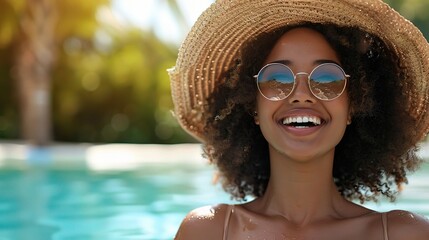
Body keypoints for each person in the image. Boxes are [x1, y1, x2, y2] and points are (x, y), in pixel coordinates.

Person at [168, 0, 429, 239]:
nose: (301, 95)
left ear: (354, 104)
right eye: (278, 78)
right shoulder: (208, 231)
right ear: (253, 106)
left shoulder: (403, 234)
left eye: (327, 78)